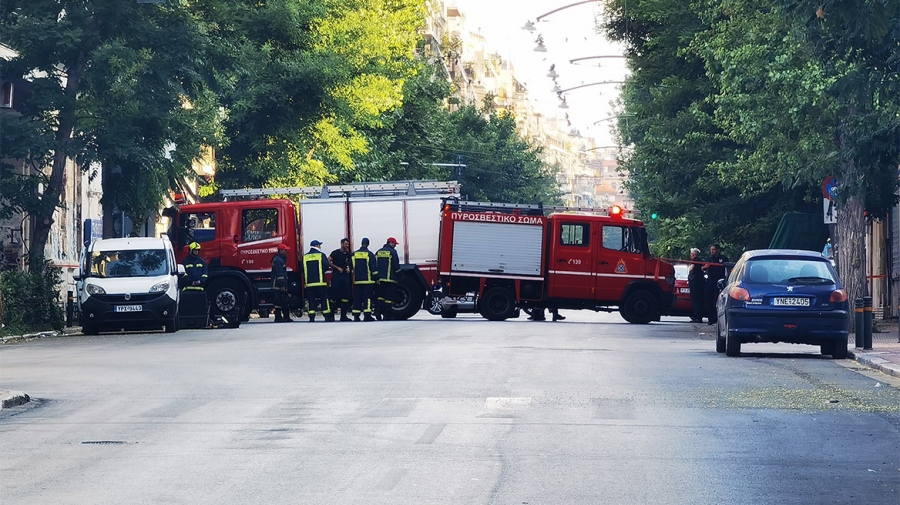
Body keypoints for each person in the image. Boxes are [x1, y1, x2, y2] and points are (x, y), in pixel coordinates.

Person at [351, 238, 377, 321]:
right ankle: (367, 315)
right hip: (368, 281)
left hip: (357, 281)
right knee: (367, 298)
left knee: (357, 298)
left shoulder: (354, 254)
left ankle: (356, 316)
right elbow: (373, 268)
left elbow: (350, 266)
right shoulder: (370, 254)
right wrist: (376, 278)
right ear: (368, 244)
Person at [375, 237, 401, 321]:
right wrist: (401, 275)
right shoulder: (392, 252)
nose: (395, 246)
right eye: (394, 244)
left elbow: (374, 265)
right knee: (389, 298)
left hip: (380, 280)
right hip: (390, 280)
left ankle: (378, 312)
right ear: (391, 243)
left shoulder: (378, 252)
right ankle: (387, 315)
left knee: (380, 297)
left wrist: (376, 278)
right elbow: (396, 266)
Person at [703, 243, 729, 325]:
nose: (712, 251)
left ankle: (719, 319)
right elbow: (703, 268)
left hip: (720, 282)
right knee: (708, 299)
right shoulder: (709, 259)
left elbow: (727, 269)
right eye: (711, 250)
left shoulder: (723, 258)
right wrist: (705, 267)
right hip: (710, 281)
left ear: (718, 250)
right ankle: (711, 319)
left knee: (720, 300)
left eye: (713, 249)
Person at [328, 238, 353, 322]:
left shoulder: (348, 255)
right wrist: (336, 267)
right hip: (336, 277)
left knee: (345, 297)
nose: (347, 246)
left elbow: (350, 264)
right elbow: (328, 261)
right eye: (346, 244)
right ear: (342, 244)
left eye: (348, 244)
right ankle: (331, 316)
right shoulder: (335, 253)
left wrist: (349, 268)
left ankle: (343, 316)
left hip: (345, 277)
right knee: (333, 297)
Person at [271, 244, 293, 322]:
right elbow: (279, 274)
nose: (286, 252)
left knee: (281, 301)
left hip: (278, 284)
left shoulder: (279, 259)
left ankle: (281, 317)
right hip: (278, 285)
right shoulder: (278, 260)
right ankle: (281, 317)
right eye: (284, 250)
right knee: (281, 301)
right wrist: (282, 285)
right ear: (280, 250)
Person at [687, 247, 705, 323]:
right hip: (700, 282)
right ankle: (699, 316)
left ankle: (696, 316)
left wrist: (690, 274)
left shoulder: (694, 261)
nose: (690, 255)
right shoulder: (701, 261)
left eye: (691, 253)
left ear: (694, 254)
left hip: (694, 283)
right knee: (700, 300)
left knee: (695, 300)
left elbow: (691, 269)